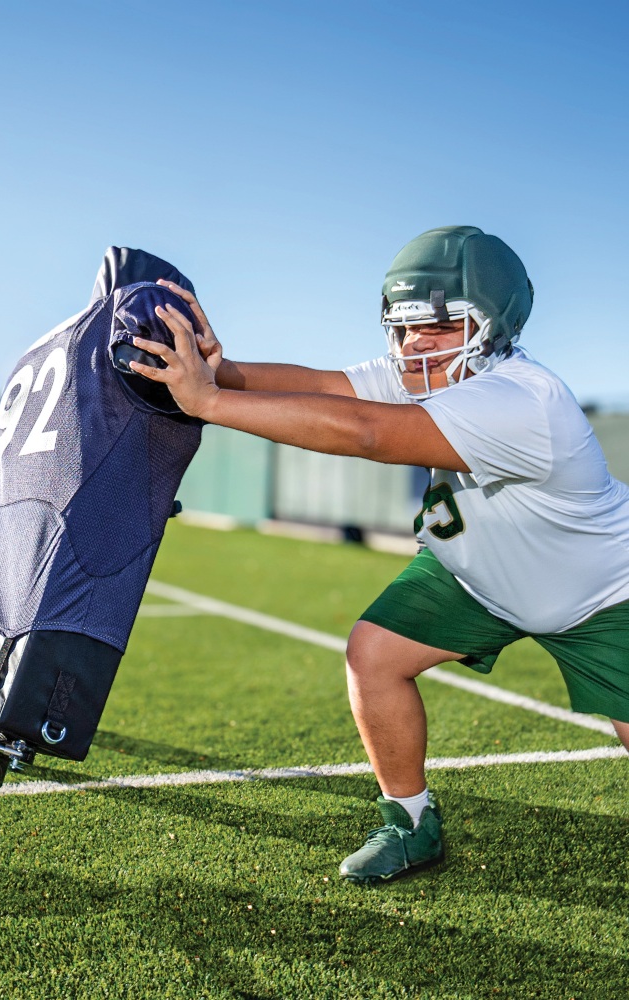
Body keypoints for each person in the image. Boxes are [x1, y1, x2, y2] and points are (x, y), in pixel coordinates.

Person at [127, 226, 629, 884]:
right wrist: (219, 369)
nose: (415, 343)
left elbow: (366, 432)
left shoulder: (523, 400)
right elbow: (322, 384)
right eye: (405, 326)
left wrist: (212, 401)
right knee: (374, 655)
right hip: (475, 573)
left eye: (440, 325)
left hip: (600, 593)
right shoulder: (422, 371)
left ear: (493, 323)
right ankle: (411, 823)